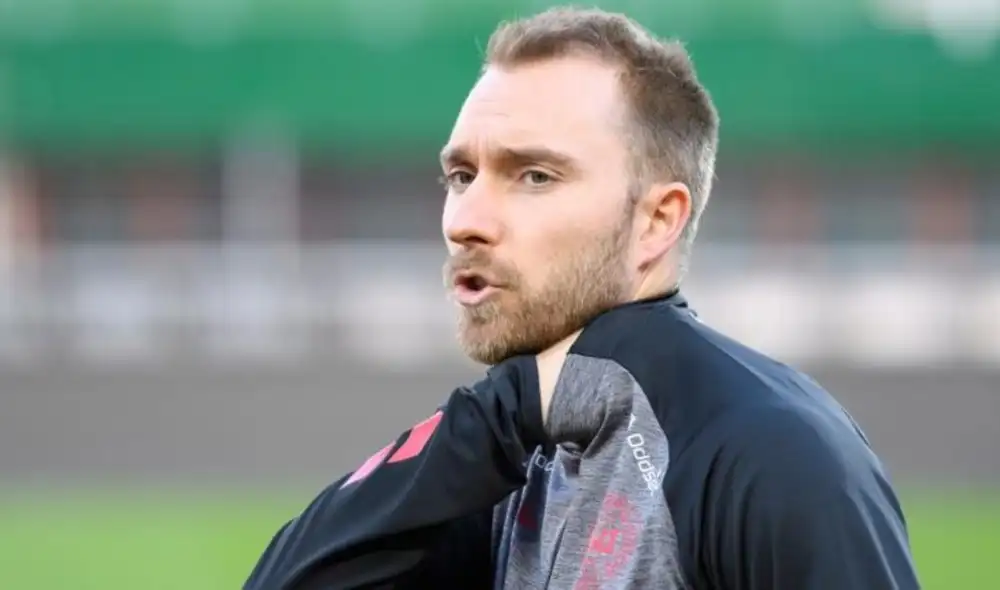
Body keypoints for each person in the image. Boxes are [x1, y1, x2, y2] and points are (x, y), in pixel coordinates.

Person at [244, 7, 921, 589]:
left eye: (534, 175)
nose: (464, 219)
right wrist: (501, 408)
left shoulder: (770, 451)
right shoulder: (516, 452)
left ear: (657, 220)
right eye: (460, 175)